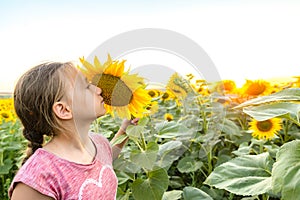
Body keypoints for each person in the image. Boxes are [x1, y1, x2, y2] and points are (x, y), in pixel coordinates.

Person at [8, 61, 137, 200]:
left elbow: (106, 158)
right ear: (64, 110)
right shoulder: (38, 178)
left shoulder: (98, 142)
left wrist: (125, 129)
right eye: (87, 86)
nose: (99, 89)